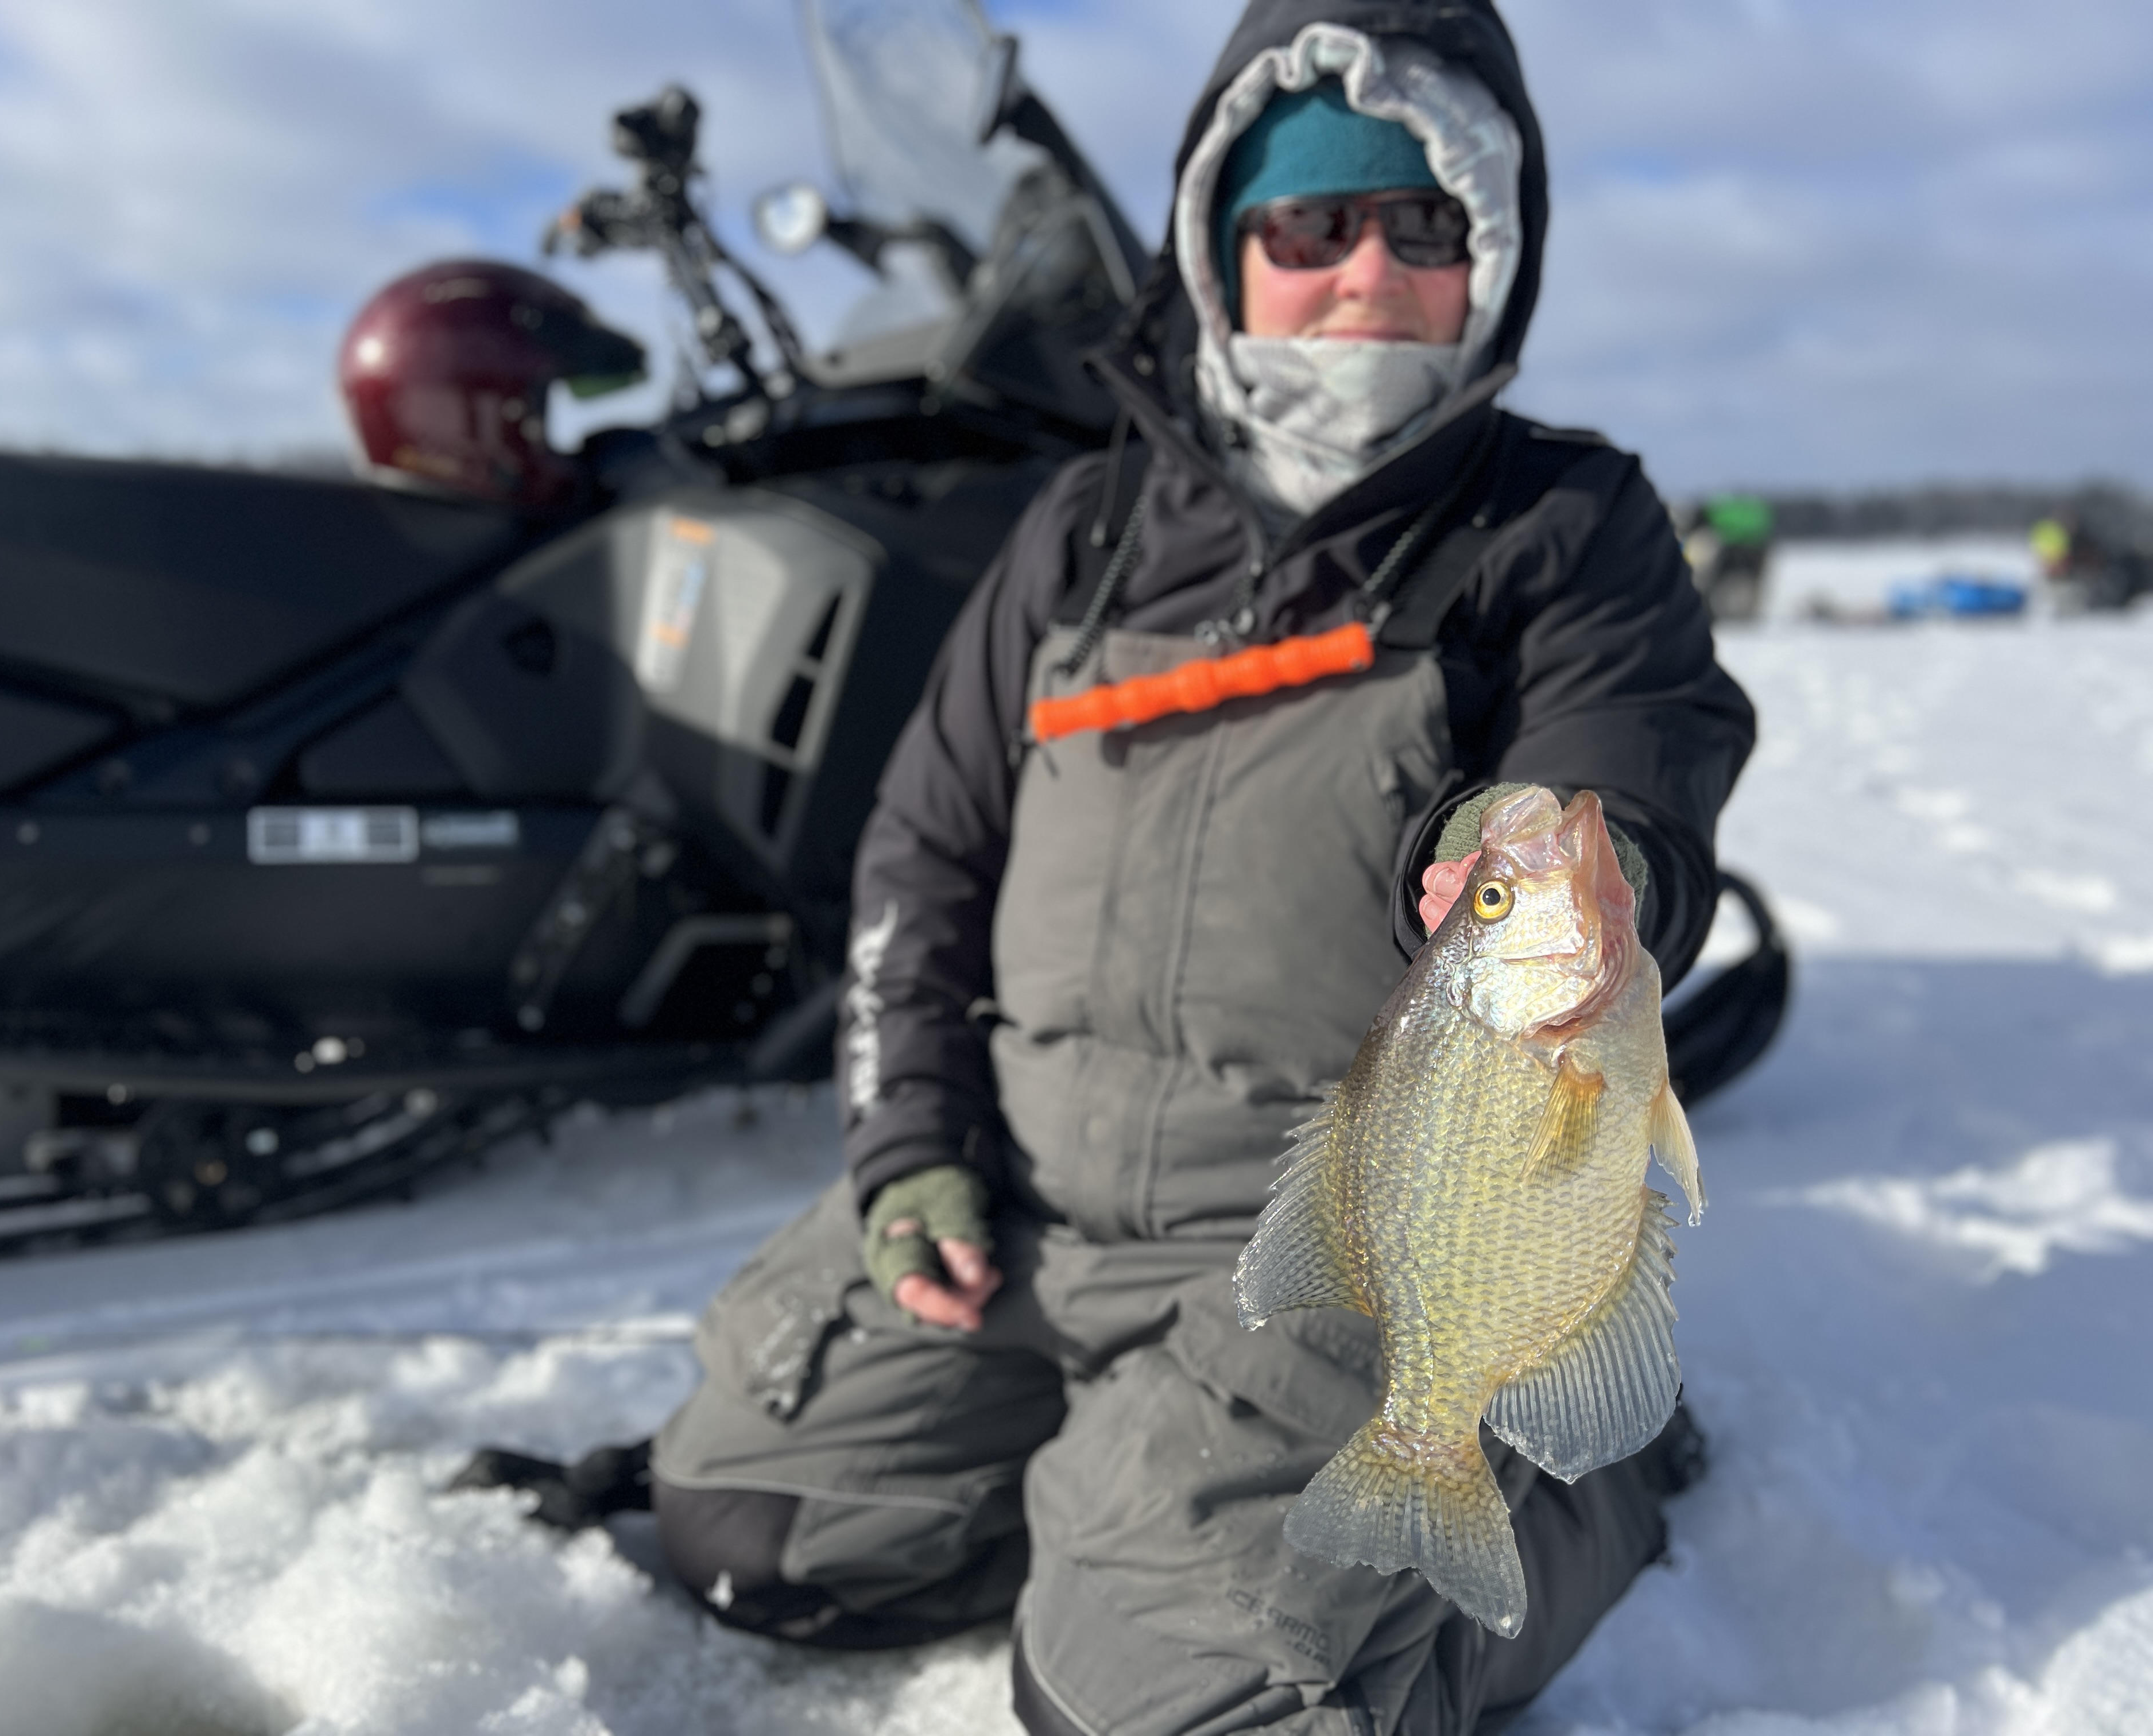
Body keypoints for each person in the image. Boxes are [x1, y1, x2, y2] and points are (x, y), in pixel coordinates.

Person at [485, 2, 1755, 1729]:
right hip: (1030, 1213)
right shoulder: (1078, 535)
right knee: (758, 1530)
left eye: (1425, 223)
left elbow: (1635, 782)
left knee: (1154, 1698)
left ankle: (1574, 1475)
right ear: (1220, 250)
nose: (1365, 266)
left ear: (1496, 254)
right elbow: (922, 861)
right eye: (1310, 225)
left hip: (1326, 1247)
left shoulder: (1561, 528)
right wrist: (911, 1147)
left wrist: (1551, 857)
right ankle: (1147, 1473)